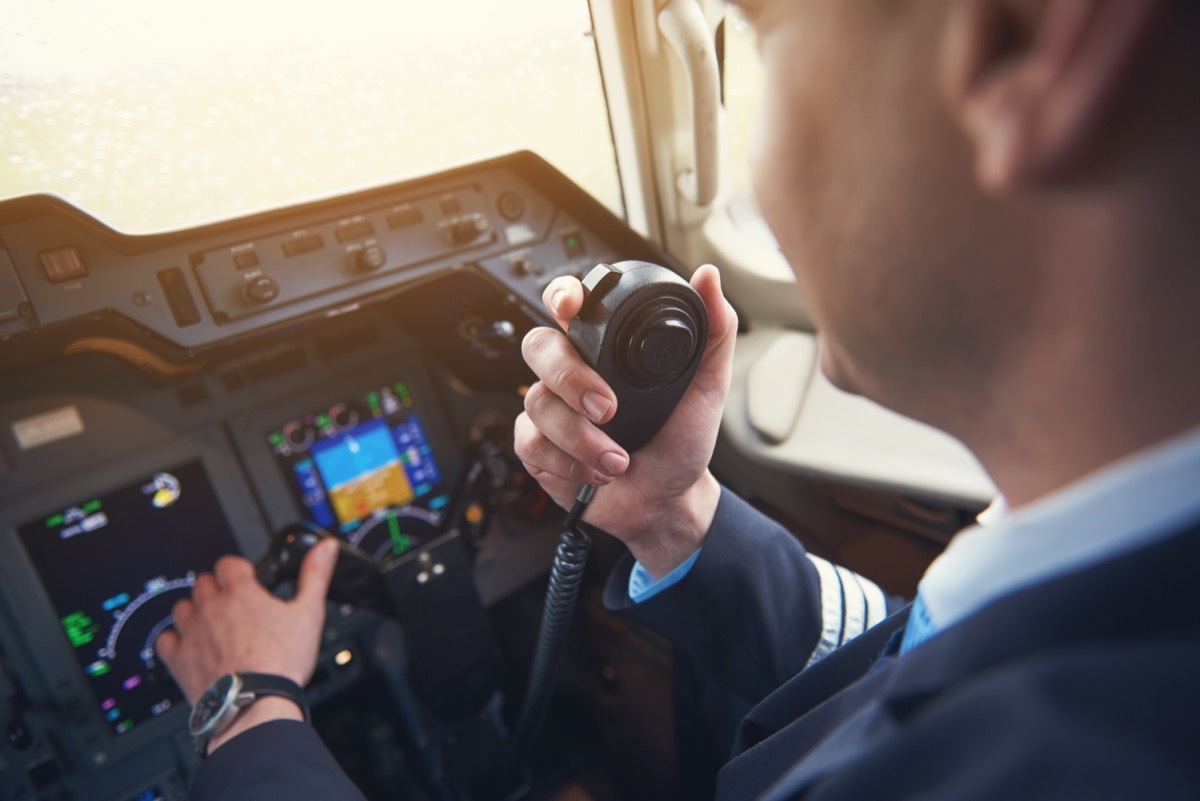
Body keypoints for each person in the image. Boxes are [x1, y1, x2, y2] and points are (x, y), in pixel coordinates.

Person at [156, 0, 1200, 798]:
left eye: (766, 39)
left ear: (1033, 44)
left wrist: (246, 713)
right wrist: (675, 516)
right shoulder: (1099, 584)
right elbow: (910, 652)